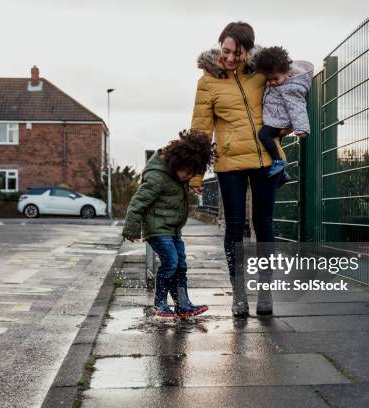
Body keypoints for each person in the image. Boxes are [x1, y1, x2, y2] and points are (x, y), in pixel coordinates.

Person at [191, 21, 290, 317]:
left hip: (265, 160)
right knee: (234, 226)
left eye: (239, 53)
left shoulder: (261, 71)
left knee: (265, 225)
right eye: (227, 51)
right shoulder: (207, 81)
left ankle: (265, 291)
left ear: (249, 50)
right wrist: (196, 175)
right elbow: (200, 130)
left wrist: (283, 129)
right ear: (220, 46)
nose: (232, 58)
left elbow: (284, 103)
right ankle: (238, 294)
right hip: (230, 163)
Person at [122, 130, 212, 319]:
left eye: (192, 173)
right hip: (157, 229)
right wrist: (131, 229)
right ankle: (160, 304)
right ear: (176, 162)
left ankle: (183, 304)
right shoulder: (157, 177)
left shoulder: (177, 174)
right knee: (171, 262)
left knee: (181, 265)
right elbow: (137, 203)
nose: (189, 177)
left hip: (173, 229)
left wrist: (194, 185)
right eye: (188, 173)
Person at [254, 46, 313, 177]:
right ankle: (282, 174)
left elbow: (297, 107)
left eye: (275, 78)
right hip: (275, 117)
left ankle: (278, 162)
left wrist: (301, 128)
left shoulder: (291, 87)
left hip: (279, 120)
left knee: (263, 135)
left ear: (285, 71)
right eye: (268, 79)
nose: (272, 82)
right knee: (276, 144)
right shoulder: (280, 80)